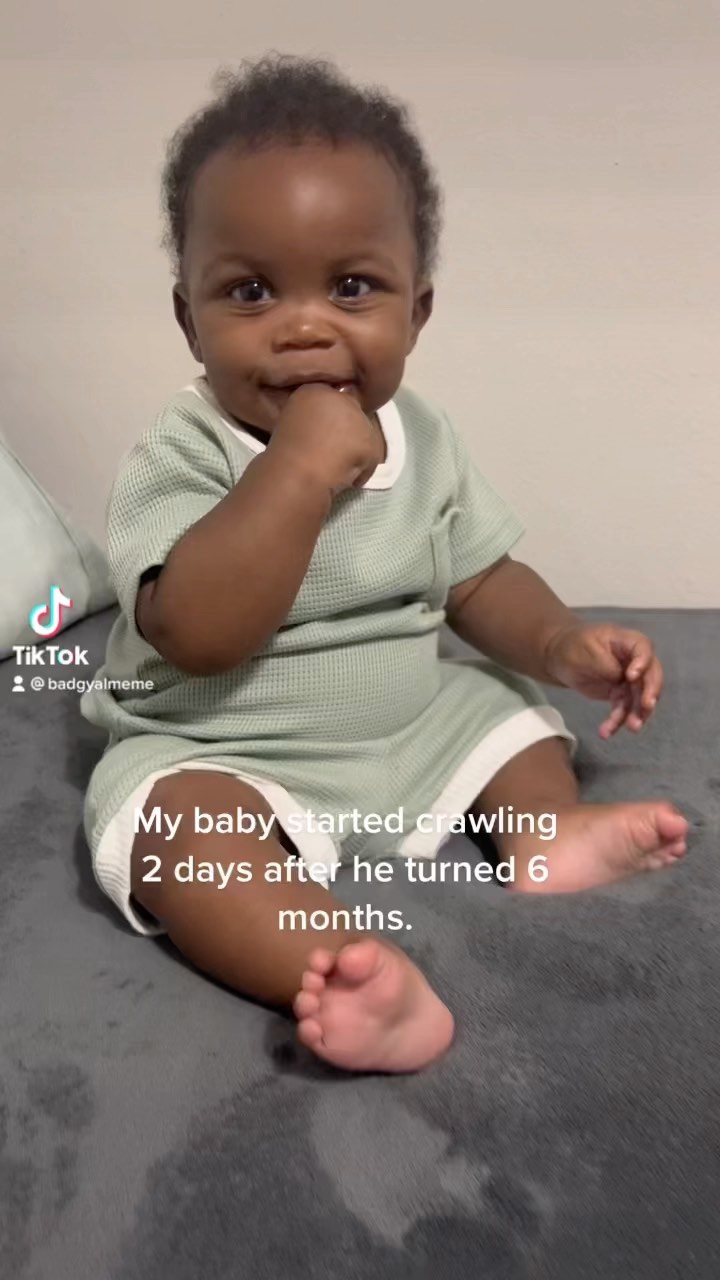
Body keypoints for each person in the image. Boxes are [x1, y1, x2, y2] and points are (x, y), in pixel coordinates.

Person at [81, 52, 689, 1074]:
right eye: (251, 291)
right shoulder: (182, 452)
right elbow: (198, 631)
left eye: (352, 287)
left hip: (407, 726)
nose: (304, 326)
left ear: (417, 312)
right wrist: (296, 472)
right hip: (228, 748)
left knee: (498, 705)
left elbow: (479, 578)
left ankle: (547, 835)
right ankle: (336, 964)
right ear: (189, 318)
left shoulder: (425, 436)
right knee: (168, 829)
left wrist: (559, 641)